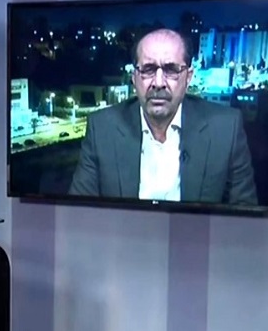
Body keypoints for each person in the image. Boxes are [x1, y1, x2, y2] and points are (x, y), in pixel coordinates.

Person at [68, 28, 257, 205]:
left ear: (188, 77)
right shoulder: (102, 128)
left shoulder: (226, 128)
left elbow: (244, 216)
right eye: (148, 69)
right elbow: (79, 212)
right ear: (134, 77)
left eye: (171, 70)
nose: (158, 83)